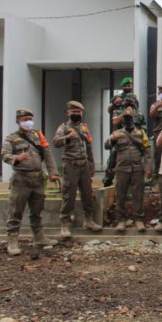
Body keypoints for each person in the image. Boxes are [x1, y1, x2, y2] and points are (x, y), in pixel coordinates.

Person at [1, 109, 60, 256]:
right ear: (18, 121)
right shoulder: (12, 138)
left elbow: (47, 154)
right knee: (16, 210)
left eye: (30, 118)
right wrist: (16, 157)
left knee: (37, 210)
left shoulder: (37, 135)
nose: (28, 121)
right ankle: (13, 241)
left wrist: (53, 173)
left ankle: (39, 237)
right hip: (21, 179)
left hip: (38, 179)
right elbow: (4, 154)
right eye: (25, 119)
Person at [53, 101, 103, 238]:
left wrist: (91, 165)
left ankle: (89, 220)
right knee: (69, 194)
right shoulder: (63, 128)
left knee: (87, 194)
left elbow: (89, 146)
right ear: (68, 113)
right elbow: (56, 142)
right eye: (73, 112)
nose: (76, 114)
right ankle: (65, 224)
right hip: (70, 164)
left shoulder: (84, 128)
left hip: (84, 164)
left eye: (79, 112)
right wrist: (67, 137)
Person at [105, 108, 153, 232]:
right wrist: (113, 139)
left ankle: (139, 220)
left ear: (134, 120)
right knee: (120, 195)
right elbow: (106, 145)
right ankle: (121, 220)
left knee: (138, 195)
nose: (128, 120)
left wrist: (148, 167)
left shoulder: (141, 133)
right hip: (121, 169)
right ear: (123, 121)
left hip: (137, 168)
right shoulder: (117, 133)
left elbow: (148, 151)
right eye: (125, 118)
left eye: (130, 118)